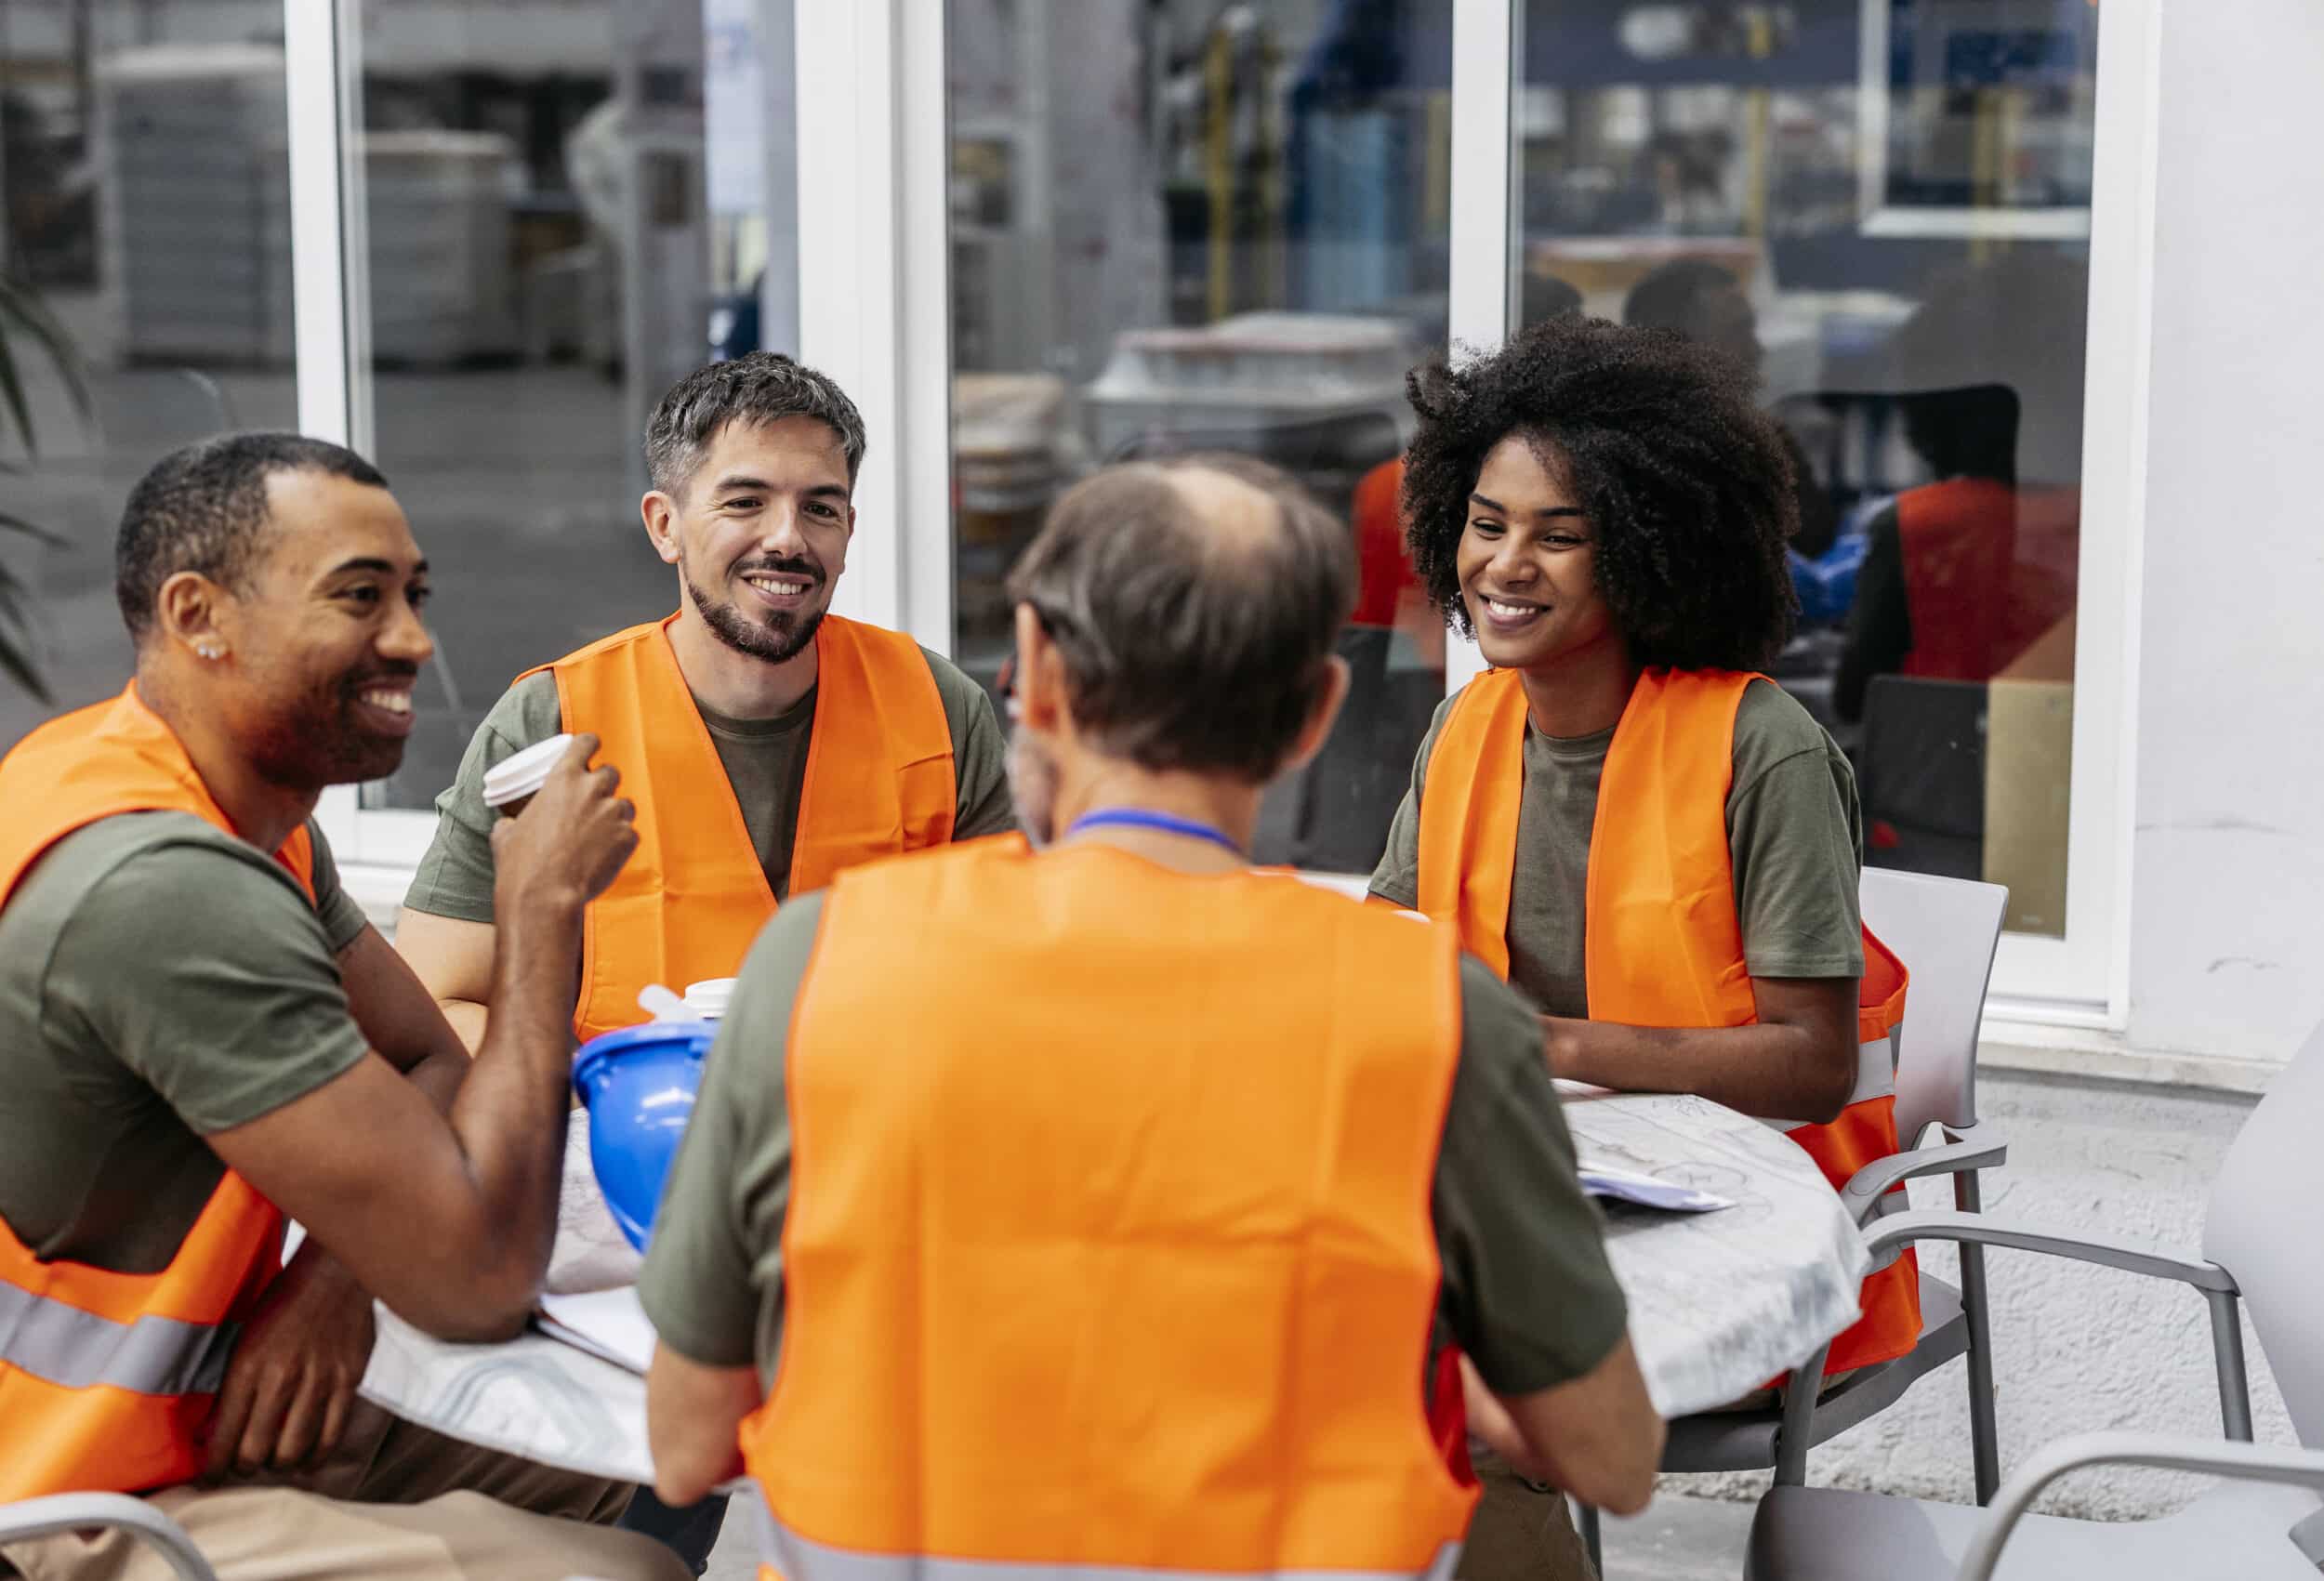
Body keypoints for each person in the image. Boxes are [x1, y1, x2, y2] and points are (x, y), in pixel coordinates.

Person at [635, 456, 1663, 1581]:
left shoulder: (814, 963)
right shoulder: (1436, 1015)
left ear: (1034, 668)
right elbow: (1610, 1460)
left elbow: (684, 1448)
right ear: (1317, 715)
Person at [0, 434, 683, 1580]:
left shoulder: (229, 814)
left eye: (415, 596)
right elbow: (472, 1280)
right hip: (70, 1501)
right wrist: (540, 914)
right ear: (197, 614)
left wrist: (335, 1277)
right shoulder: (167, 891)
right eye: (360, 598)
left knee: (646, 1440)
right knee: (629, 1573)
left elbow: (431, 1056)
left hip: (205, 1411)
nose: (414, 640)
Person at [1367, 317, 1918, 1391]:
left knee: (1428, 1366)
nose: (1504, 566)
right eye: (1484, 525)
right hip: (1539, 1190)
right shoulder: (1464, 726)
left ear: (1648, 547)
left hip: (1746, 1240)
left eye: (1558, 536)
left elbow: (1813, 1065)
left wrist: (1535, 1045)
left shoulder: (1764, 749)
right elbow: (1396, 956)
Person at [398, 352, 1013, 1054]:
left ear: (848, 531)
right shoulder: (553, 721)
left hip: (881, 1138)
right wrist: (601, 1091)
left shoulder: (940, 709)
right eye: (745, 501)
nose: (787, 538)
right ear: (665, 526)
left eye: (820, 507)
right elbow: (438, 1003)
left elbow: (1004, 980)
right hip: (629, 1145)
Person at [1622, 257, 1840, 560]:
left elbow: (1817, 538)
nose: (1757, 350)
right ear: (1682, 350)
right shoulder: (1614, 467)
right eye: (1740, 331)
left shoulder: (1762, 444)